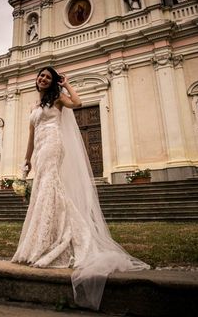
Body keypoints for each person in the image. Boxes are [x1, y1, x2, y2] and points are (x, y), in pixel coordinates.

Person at [12, 66, 149, 310]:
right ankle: (43, 240)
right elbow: (31, 138)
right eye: (41, 76)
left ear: (52, 81)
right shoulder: (34, 107)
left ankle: (58, 239)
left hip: (54, 144)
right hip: (40, 150)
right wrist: (26, 160)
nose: (43, 79)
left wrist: (66, 84)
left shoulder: (57, 99)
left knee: (51, 187)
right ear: (37, 79)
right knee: (44, 190)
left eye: (48, 77)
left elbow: (78, 102)